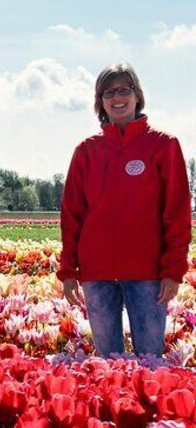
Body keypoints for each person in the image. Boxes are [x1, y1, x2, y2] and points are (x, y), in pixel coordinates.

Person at [58, 62, 191, 357]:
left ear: (137, 95)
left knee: (150, 360)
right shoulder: (87, 151)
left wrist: (173, 270)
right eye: (108, 92)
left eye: (123, 89)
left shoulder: (162, 146)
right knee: (108, 363)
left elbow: (177, 212)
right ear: (100, 103)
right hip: (97, 274)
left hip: (147, 273)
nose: (117, 97)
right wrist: (68, 270)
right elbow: (72, 215)